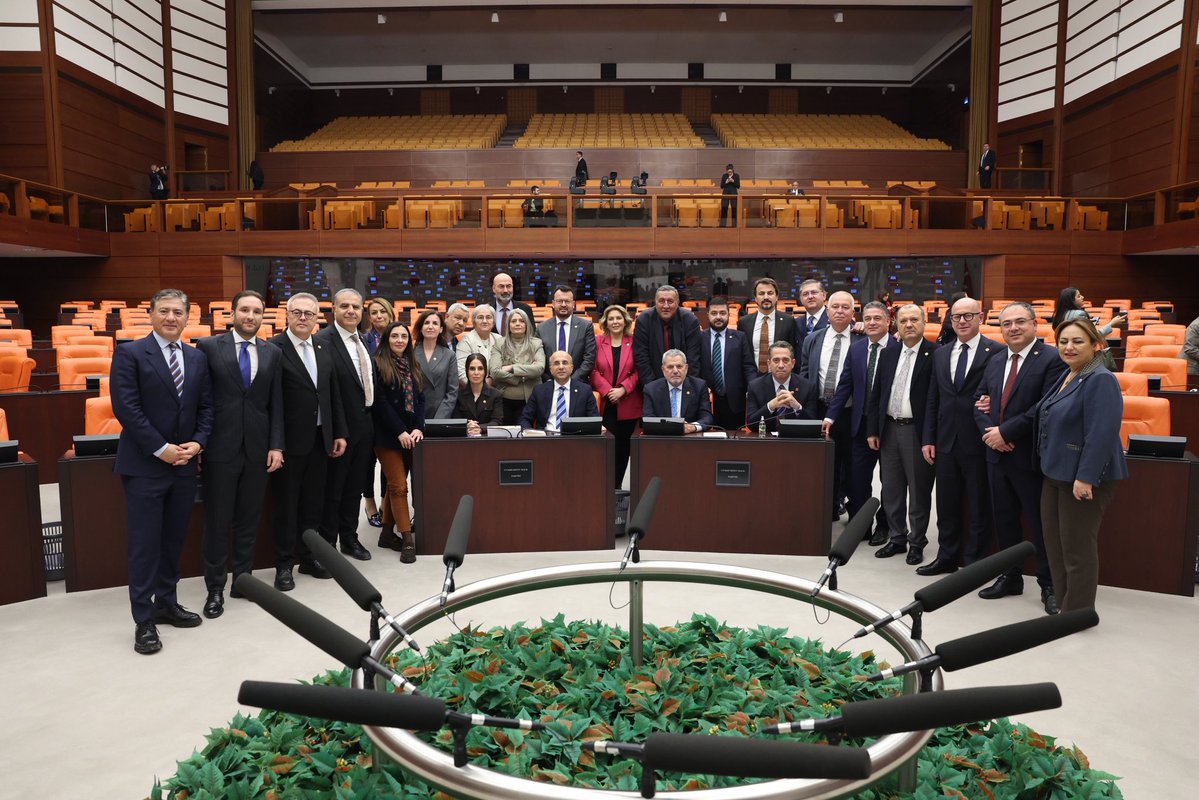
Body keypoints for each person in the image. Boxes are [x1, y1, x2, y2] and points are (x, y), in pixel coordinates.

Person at [110, 288, 213, 654]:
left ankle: (166, 603)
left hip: (185, 466)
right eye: (164, 311)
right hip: (144, 467)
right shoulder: (130, 353)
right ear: (151, 314)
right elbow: (127, 409)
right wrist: (162, 449)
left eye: (178, 312)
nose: (171, 318)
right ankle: (143, 620)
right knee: (144, 546)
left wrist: (198, 443)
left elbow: (206, 408)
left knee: (173, 541)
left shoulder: (197, 358)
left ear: (188, 318)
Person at [974, 301, 1069, 614]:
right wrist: (992, 434)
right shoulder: (997, 358)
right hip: (997, 456)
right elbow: (980, 400)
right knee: (1005, 521)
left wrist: (1006, 433)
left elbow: (1044, 407)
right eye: (1006, 324)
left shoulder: (1052, 359)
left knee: (1041, 525)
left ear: (1035, 324)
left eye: (1019, 322)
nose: (1012, 328)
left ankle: (1049, 584)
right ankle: (1011, 576)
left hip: (1029, 457)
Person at [195, 290, 284, 620]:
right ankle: (215, 588)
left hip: (259, 449)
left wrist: (276, 445)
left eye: (257, 311)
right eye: (244, 310)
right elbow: (200, 400)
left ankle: (243, 581)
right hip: (220, 447)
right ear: (231, 314)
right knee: (218, 521)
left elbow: (276, 404)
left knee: (249, 519)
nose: (250, 316)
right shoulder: (207, 347)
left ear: (263, 316)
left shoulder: (272, 352)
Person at [1037, 316, 1127, 612]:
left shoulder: (1101, 379)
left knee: (1077, 550)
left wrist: (1086, 477)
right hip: (1055, 474)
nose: (1069, 347)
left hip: (1081, 478)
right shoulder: (1070, 374)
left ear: (1096, 344)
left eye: (1077, 341)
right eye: (1063, 341)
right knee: (1056, 548)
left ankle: (1078, 613)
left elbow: (1101, 434)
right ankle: (1065, 605)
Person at [918, 297, 1002, 576]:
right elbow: (933, 398)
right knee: (947, 504)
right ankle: (947, 556)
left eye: (968, 316)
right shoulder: (942, 353)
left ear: (981, 317)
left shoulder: (996, 351)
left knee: (979, 504)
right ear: (950, 321)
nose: (963, 321)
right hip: (944, 441)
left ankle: (974, 563)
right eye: (957, 317)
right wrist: (928, 437)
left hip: (979, 440)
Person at [269, 293, 347, 591]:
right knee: (287, 506)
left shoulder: (323, 347)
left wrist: (338, 432)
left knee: (314, 504)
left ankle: (308, 558)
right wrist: (274, 443)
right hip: (289, 442)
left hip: (321, 439)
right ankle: (284, 565)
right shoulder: (274, 348)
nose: (304, 318)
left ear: (318, 318)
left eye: (310, 314)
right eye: (298, 313)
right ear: (287, 315)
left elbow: (331, 394)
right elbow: (272, 401)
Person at [867, 304, 939, 565]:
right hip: (888, 430)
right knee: (892, 490)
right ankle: (897, 538)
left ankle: (916, 542)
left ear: (924, 322)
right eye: (903, 320)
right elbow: (876, 394)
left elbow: (935, 401)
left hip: (916, 433)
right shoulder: (888, 353)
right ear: (895, 324)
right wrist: (873, 430)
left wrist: (931, 438)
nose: (909, 325)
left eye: (914, 320)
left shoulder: (936, 354)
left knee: (919, 491)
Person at [823, 300, 896, 544]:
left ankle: (885, 526)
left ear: (888, 321)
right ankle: (862, 525)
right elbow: (845, 385)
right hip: (861, 424)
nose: (873, 323)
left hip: (889, 425)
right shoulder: (856, 349)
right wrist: (831, 415)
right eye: (869, 318)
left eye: (878, 318)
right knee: (858, 480)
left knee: (890, 480)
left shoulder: (898, 347)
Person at [315, 288, 376, 562]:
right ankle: (328, 543)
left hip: (365, 425)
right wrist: (337, 429)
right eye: (345, 306)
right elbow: (323, 391)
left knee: (354, 486)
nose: (351, 311)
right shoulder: (322, 341)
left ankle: (349, 538)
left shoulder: (362, 339)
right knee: (333, 488)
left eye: (356, 306)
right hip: (340, 428)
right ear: (333, 309)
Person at [801, 290, 861, 520]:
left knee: (851, 463)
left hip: (850, 411)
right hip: (820, 409)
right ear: (827, 310)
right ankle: (830, 508)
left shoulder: (861, 338)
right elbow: (806, 374)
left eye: (846, 307)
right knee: (826, 463)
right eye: (835, 306)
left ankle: (853, 510)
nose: (840, 311)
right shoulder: (813, 339)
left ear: (853, 312)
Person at [371, 321, 425, 563]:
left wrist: (417, 428)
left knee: (394, 486)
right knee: (399, 486)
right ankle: (407, 540)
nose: (400, 340)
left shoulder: (413, 366)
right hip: (387, 436)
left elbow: (421, 400)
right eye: (395, 336)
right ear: (387, 339)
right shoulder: (378, 364)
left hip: (410, 436)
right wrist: (400, 431)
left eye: (404, 336)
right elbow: (380, 404)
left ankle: (385, 534)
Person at [591, 304, 643, 487]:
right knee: (606, 448)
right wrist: (607, 390)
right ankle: (604, 487)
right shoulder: (598, 342)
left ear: (625, 321)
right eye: (611, 318)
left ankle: (618, 488)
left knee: (623, 448)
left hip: (628, 403)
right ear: (605, 321)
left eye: (618, 318)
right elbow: (593, 370)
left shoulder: (635, 341)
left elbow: (639, 370)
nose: (615, 322)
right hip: (606, 404)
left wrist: (623, 389)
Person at [360, 296, 394, 527]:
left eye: (382, 311)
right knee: (367, 460)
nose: (379, 316)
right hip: (368, 409)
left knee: (389, 460)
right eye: (374, 312)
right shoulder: (363, 340)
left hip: (392, 409)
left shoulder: (398, 337)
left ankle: (385, 503)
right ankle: (369, 502)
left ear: (390, 313)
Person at [700, 296, 756, 430]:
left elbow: (748, 366)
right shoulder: (699, 337)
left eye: (722, 313)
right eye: (714, 313)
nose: (718, 317)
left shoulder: (740, 337)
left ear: (728, 315)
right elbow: (695, 366)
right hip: (707, 401)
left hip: (735, 402)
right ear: (708, 315)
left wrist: (754, 390)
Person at [632, 284, 702, 387]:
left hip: (684, 384)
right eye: (661, 301)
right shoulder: (644, 320)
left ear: (678, 303)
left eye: (670, 301)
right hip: (652, 382)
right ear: (655, 302)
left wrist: (685, 387)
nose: (665, 306)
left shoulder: (690, 320)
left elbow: (693, 358)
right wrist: (653, 388)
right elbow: (641, 357)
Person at [746, 342, 819, 432]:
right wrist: (770, 406)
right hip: (766, 440)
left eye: (785, 360)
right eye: (776, 360)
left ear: (793, 363)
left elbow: (813, 424)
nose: (781, 365)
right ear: (769, 363)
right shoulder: (755, 386)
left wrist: (797, 407)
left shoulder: (808, 387)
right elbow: (751, 424)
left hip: (795, 440)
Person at [519, 351, 600, 430]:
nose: (561, 367)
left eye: (565, 363)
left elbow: (594, 419)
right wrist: (529, 433)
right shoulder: (539, 390)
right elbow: (525, 418)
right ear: (551, 369)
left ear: (572, 368)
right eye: (556, 363)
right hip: (546, 438)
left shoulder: (585, 390)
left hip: (574, 438)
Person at [491, 308, 544, 424]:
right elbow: (494, 372)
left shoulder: (536, 343)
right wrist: (523, 376)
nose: (518, 324)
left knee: (523, 436)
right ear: (508, 325)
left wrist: (512, 368)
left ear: (527, 324)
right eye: (513, 321)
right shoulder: (500, 343)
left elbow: (539, 369)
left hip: (529, 400)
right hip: (504, 399)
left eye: (521, 321)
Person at [737, 277, 799, 374]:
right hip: (752, 380)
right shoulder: (744, 323)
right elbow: (742, 356)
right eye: (761, 293)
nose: (766, 297)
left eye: (770, 293)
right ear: (755, 298)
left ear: (777, 296)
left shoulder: (788, 321)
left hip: (780, 377)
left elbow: (793, 353)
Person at [642, 349, 713, 433]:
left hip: (691, 439)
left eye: (679, 366)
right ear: (663, 369)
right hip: (662, 439)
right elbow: (649, 420)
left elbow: (707, 417)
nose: (675, 371)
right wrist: (672, 428)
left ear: (686, 368)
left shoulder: (699, 386)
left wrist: (692, 427)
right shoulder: (651, 389)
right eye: (670, 367)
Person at [537, 284, 596, 382]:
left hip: (577, 384)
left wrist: (571, 381)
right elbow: (538, 359)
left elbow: (589, 359)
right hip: (549, 384)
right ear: (553, 303)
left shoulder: (586, 326)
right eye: (560, 301)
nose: (563, 304)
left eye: (567, 301)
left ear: (573, 303)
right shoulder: (542, 328)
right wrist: (550, 381)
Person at [412, 309, 459, 420]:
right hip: (415, 417)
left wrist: (439, 419)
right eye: (426, 323)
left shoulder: (449, 355)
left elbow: (452, 392)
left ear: (441, 329)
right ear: (420, 328)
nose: (430, 326)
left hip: (440, 416)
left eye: (435, 323)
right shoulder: (410, 354)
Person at [453, 353, 504, 434]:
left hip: (487, 440)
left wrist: (480, 428)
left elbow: (497, 421)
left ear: (485, 372)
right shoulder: (459, 395)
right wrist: (467, 426)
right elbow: (455, 421)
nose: (476, 373)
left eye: (480, 369)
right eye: (472, 369)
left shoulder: (496, 395)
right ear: (467, 371)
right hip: (464, 439)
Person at [456, 304, 502, 387]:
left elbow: (506, 367)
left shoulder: (500, 340)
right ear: (474, 321)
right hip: (472, 393)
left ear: (494, 321)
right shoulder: (466, 341)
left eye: (488, 317)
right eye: (480, 317)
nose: (484, 321)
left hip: (498, 390)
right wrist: (481, 388)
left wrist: (492, 380)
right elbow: (461, 373)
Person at [1049, 287, 1126, 335]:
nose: (1083, 297)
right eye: (1079, 296)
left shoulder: (1059, 315)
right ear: (1071, 301)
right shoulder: (1080, 314)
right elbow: (1093, 337)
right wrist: (1111, 324)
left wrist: (1087, 323)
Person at [491, 272, 534, 336]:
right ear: (494, 288)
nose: (505, 290)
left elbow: (531, 335)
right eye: (501, 286)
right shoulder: (487, 310)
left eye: (508, 286)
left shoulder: (525, 309)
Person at [795, 278, 830, 354]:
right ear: (801, 299)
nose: (810, 297)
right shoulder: (795, 323)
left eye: (814, 292)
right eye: (805, 294)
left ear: (824, 295)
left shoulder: (835, 319)